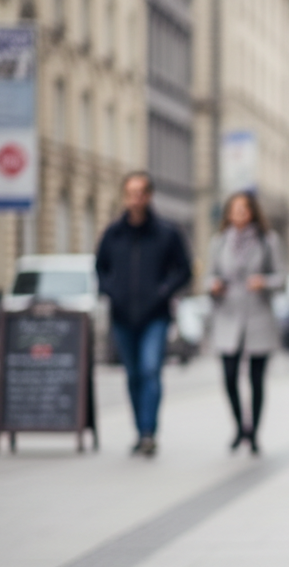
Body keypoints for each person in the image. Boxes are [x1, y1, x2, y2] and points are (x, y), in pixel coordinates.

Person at [96, 171, 191, 456]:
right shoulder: (113, 234)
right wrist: (112, 292)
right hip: (123, 316)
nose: (135, 198)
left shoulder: (167, 232)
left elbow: (183, 271)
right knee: (133, 374)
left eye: (141, 192)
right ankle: (140, 431)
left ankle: (149, 432)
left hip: (155, 315)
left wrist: (162, 292)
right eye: (130, 193)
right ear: (125, 197)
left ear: (149, 196)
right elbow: (101, 269)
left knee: (150, 370)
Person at [206, 191, 287, 454]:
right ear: (228, 213)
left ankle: (254, 434)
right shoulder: (218, 243)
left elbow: (283, 278)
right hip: (228, 316)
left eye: (245, 209)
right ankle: (240, 425)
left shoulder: (268, 241)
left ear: (253, 212)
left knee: (256, 379)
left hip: (258, 316)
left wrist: (264, 281)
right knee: (229, 377)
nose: (240, 213)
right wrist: (213, 286)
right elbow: (208, 277)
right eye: (235, 209)